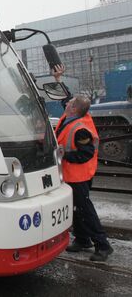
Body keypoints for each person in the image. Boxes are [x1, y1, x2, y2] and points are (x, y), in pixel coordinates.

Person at [52, 64, 114, 261]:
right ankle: (82, 239)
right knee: (76, 208)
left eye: (70, 103)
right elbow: (66, 98)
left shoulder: (80, 128)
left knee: (85, 209)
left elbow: (85, 154)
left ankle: (103, 245)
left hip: (79, 175)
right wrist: (58, 79)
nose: (66, 104)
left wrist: (63, 155)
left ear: (75, 109)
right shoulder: (74, 115)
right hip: (71, 175)